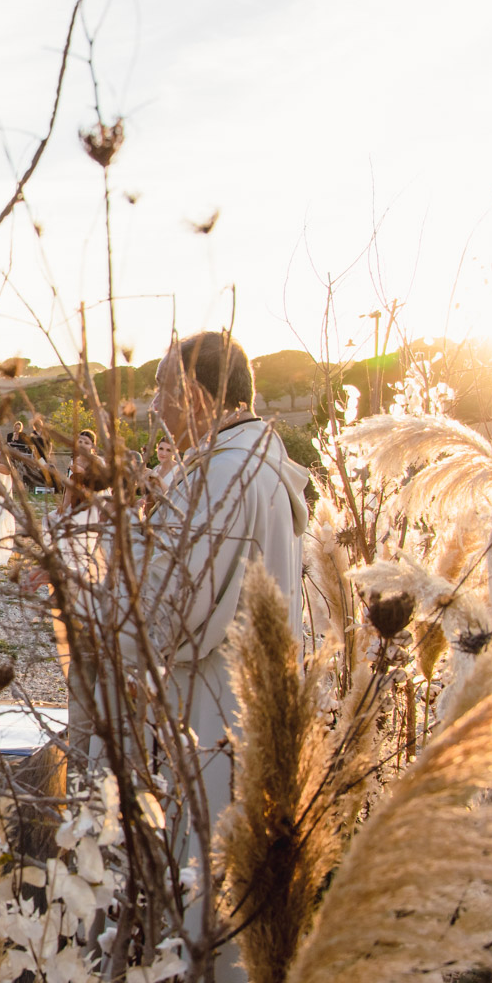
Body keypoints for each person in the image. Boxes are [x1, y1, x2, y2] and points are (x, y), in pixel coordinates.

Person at [137, 331, 309, 823]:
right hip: (252, 707)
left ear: (194, 394)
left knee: (201, 872)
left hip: (211, 716)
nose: (153, 406)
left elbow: (175, 617)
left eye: (161, 388)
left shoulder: (221, 476)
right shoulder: (258, 463)